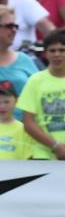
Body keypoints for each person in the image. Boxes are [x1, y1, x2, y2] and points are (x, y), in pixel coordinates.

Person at [19, 27, 65, 159]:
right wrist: (55, 145)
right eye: (52, 50)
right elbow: (28, 122)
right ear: (45, 53)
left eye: (62, 50)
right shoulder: (35, 80)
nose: (57, 54)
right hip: (44, 154)